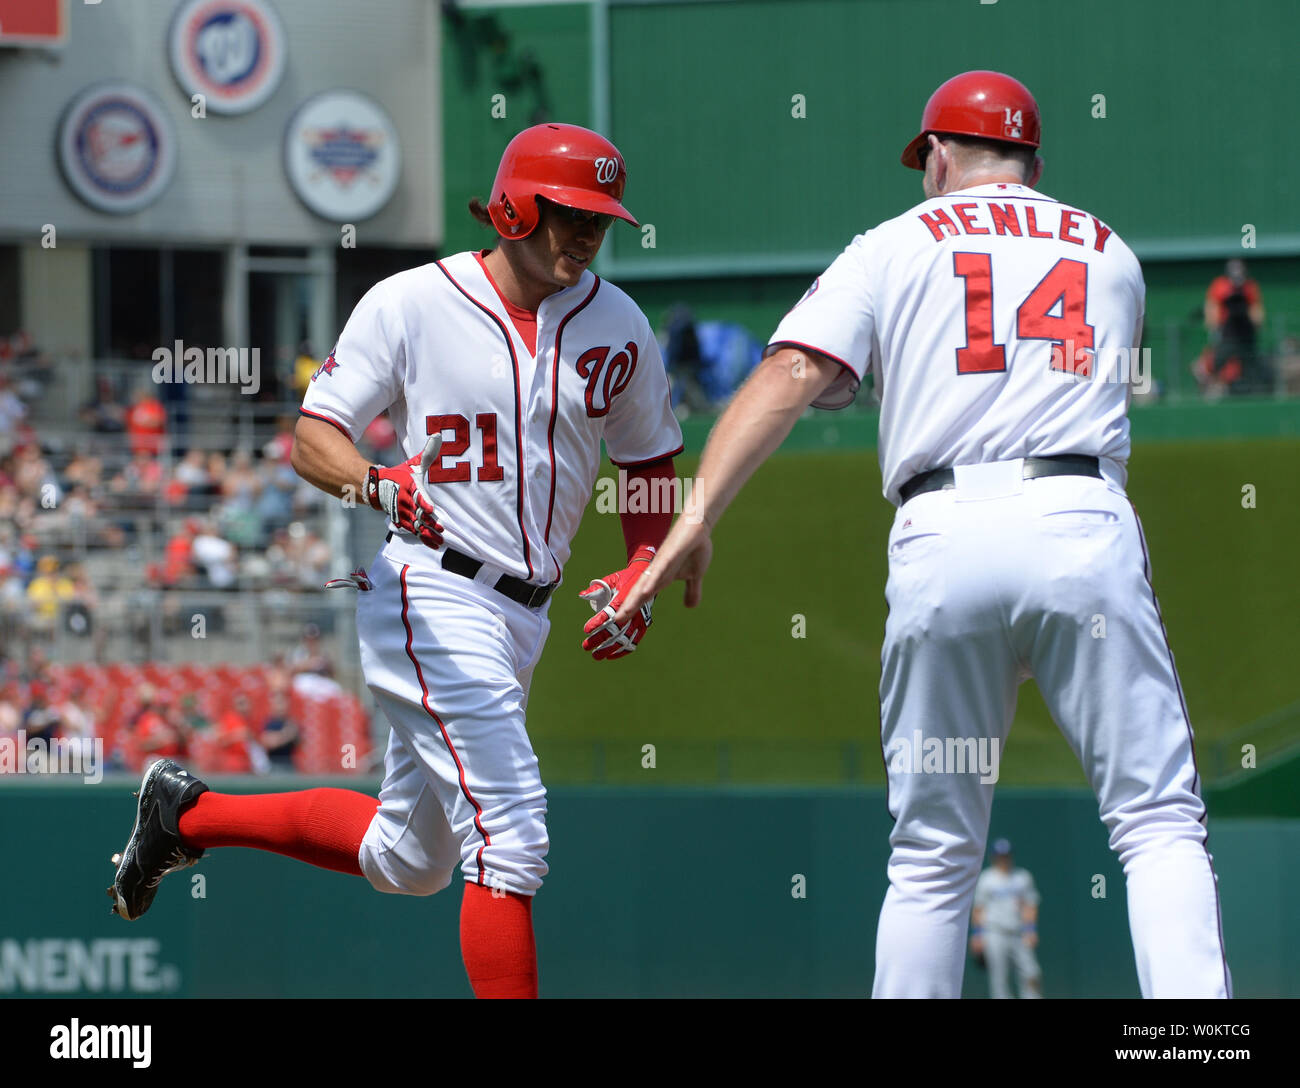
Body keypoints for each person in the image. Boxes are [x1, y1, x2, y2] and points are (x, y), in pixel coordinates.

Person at [615, 71, 1231, 999]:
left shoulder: (893, 245)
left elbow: (792, 373)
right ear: (1033, 160)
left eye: (925, 160)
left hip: (942, 531)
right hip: (1079, 520)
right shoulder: (1112, 253)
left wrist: (694, 515)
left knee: (933, 853)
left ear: (940, 154)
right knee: (1156, 822)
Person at [106, 123, 683, 1000]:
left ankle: (186, 815)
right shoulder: (412, 300)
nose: (587, 233)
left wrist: (643, 565)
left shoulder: (619, 321)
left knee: (408, 859)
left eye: (601, 218)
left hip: (525, 612)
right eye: (568, 212)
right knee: (512, 837)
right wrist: (375, 485)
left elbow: (648, 466)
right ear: (514, 206)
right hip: (431, 585)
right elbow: (312, 439)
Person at [970, 839, 1041, 998]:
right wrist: (977, 935)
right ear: (993, 857)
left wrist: (1031, 930)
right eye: (1000, 855)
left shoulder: (1022, 877)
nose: (1003, 858)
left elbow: (1030, 905)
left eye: (1006, 855)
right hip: (994, 932)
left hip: (1018, 932)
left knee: (1032, 971)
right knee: (999, 977)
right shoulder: (986, 879)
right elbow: (978, 909)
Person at [1200, 258, 1267, 395]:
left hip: (1246, 334)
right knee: (1217, 361)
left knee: (1250, 365)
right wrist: (1213, 326)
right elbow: (1212, 306)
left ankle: (1254, 390)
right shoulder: (1220, 285)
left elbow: (1256, 309)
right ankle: (1209, 386)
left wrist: (1257, 324)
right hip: (1227, 333)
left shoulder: (1249, 286)